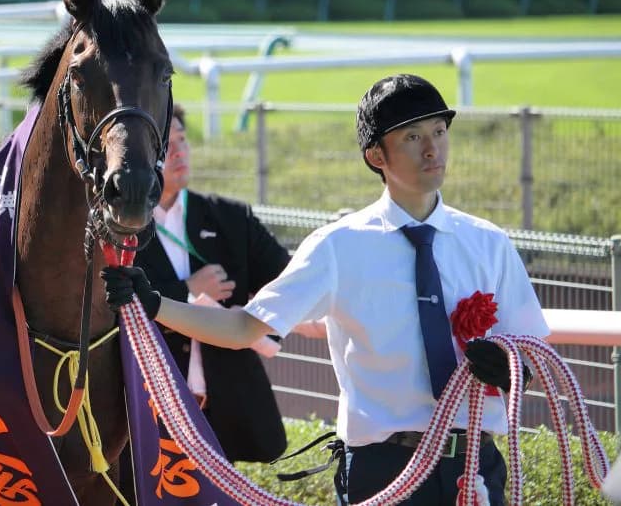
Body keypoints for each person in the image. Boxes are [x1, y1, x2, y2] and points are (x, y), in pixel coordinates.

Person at [104, 74, 549, 505]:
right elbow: (244, 328)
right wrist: (155, 305)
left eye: (438, 131)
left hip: (474, 469)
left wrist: (515, 371)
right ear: (376, 155)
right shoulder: (337, 246)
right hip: (381, 470)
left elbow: (532, 351)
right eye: (412, 137)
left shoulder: (489, 244)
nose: (432, 148)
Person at [134, 104, 289, 463]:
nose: (179, 152)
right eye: (165, 144)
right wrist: (185, 291)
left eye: (182, 140)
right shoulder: (118, 229)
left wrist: (248, 324)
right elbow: (112, 305)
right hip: (148, 410)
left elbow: (289, 285)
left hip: (227, 413)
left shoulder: (231, 218)